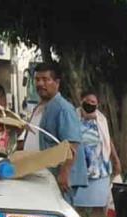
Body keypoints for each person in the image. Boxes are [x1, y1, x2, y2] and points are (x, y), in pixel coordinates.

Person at [20, 62, 86, 201]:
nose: (40, 83)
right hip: (37, 177)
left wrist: (64, 174)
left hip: (55, 180)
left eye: (45, 79)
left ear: (56, 82)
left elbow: (72, 144)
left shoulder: (63, 108)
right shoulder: (38, 107)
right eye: (37, 79)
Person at [73, 90, 121, 213]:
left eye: (93, 102)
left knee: (98, 199)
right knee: (78, 202)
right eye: (87, 101)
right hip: (79, 165)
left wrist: (115, 159)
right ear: (81, 101)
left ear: (97, 104)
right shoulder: (73, 116)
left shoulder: (101, 119)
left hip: (99, 167)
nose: (90, 104)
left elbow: (107, 139)